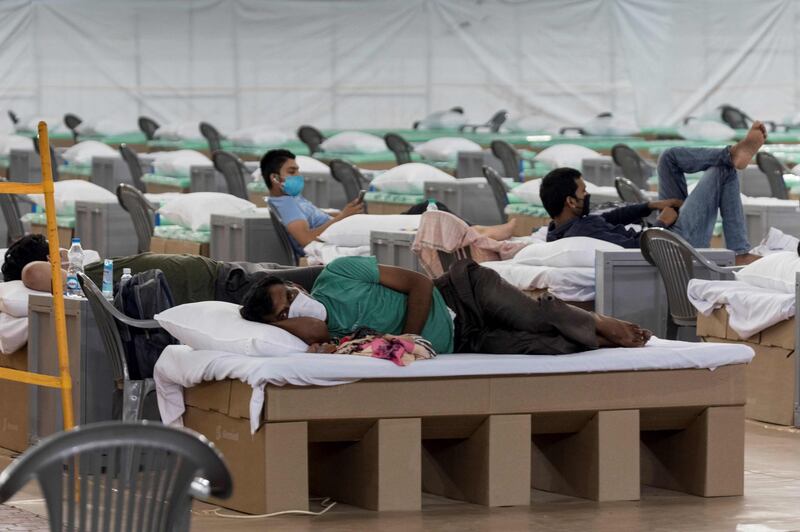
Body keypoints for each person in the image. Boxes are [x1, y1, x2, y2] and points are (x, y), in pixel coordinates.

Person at [239, 255, 652, 356]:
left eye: (291, 297)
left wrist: (407, 334)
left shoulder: (338, 274)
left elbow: (418, 282)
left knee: (533, 318)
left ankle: (597, 318)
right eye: (283, 314)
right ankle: (606, 343)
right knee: (549, 347)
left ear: (296, 285)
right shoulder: (332, 340)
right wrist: (290, 327)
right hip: (464, 340)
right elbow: (313, 341)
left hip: (461, 292)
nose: (295, 308)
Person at [539, 122, 767, 266]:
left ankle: (732, 154)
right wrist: (661, 224)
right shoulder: (581, 231)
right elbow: (634, 249)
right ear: (570, 201)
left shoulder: (563, 228)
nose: (587, 195)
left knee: (668, 158)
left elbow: (613, 218)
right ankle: (739, 252)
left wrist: (650, 206)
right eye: (583, 191)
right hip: (672, 244)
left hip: (663, 233)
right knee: (721, 172)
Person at [263, 149, 516, 257]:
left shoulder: (290, 199)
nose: (298, 176)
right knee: (429, 209)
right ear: (275, 178)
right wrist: (344, 217)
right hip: (339, 233)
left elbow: (311, 224)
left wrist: (338, 214)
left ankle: (480, 230)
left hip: (341, 226)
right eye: (292, 171)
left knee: (427, 207)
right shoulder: (285, 204)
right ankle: (481, 232)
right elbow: (306, 240)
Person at [3, 234, 320, 305]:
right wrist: (53, 261)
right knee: (324, 277)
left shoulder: (88, 271)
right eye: (52, 244)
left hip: (223, 272)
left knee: (316, 273)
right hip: (224, 285)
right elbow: (32, 272)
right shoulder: (48, 272)